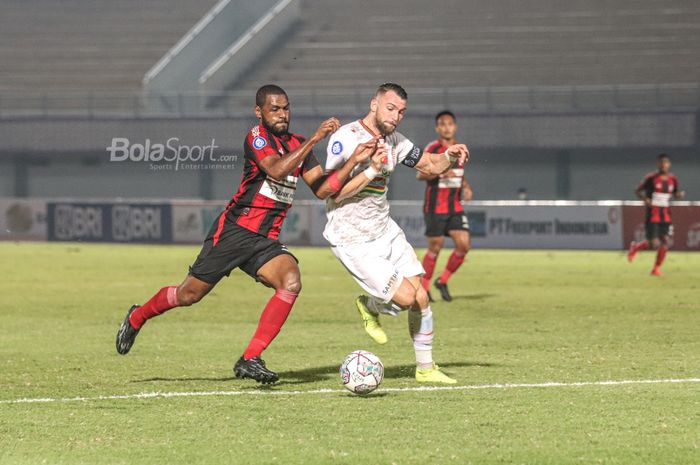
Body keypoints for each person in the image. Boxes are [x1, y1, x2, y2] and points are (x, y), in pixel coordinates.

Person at [116, 84, 376, 384]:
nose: (282, 114)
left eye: (286, 108)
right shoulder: (257, 137)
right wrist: (316, 138)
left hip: (264, 241)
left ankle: (250, 358)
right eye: (274, 109)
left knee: (291, 280)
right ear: (259, 112)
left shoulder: (298, 143)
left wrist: (356, 162)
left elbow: (322, 190)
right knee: (188, 295)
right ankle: (137, 317)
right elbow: (276, 171)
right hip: (235, 232)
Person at [324, 83, 469, 384]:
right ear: (374, 104)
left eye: (401, 112)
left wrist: (450, 156)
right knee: (404, 298)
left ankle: (425, 368)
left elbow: (430, 164)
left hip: (384, 230)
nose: (396, 116)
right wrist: (372, 169)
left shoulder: (395, 141)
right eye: (391, 108)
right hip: (352, 236)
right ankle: (368, 304)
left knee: (420, 297)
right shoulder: (346, 138)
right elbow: (333, 193)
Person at [417, 110, 473, 302]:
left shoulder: (461, 148)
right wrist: (440, 172)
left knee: (464, 245)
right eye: (442, 124)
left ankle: (442, 280)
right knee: (435, 247)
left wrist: (466, 186)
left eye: (450, 124)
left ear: (455, 126)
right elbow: (420, 174)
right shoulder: (433, 148)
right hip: (435, 206)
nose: (446, 127)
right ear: (437, 128)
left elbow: (460, 173)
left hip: (454, 206)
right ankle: (424, 288)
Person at [627, 153, 684, 276]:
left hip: (666, 215)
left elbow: (676, 193)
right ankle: (636, 247)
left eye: (665, 163)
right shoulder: (651, 178)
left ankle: (656, 269)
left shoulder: (672, 179)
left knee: (665, 243)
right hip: (653, 214)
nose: (663, 165)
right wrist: (645, 199)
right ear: (657, 164)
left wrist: (679, 195)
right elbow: (637, 191)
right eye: (661, 163)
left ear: (669, 164)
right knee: (654, 244)